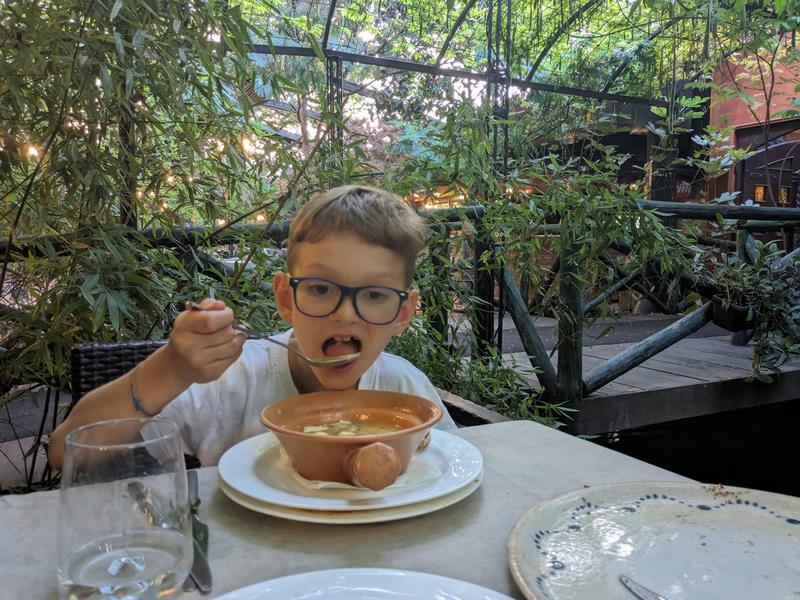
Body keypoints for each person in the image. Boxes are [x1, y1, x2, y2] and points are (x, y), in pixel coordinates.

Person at [48, 185, 456, 468]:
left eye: (375, 295)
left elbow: (452, 467)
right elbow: (68, 453)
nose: (346, 315)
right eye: (319, 288)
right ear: (284, 298)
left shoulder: (404, 391)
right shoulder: (234, 382)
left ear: (403, 313)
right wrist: (170, 369)